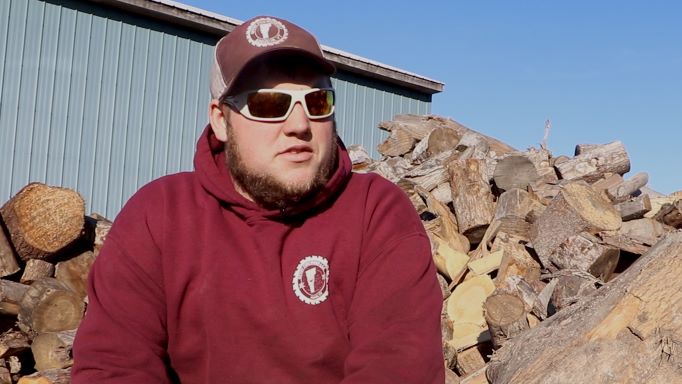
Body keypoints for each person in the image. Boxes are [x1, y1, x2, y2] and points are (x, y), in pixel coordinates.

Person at [72, 15, 444, 383]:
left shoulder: (375, 213)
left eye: (316, 101)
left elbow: (398, 366)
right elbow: (113, 365)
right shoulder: (160, 215)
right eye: (269, 104)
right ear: (220, 119)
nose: (299, 125)